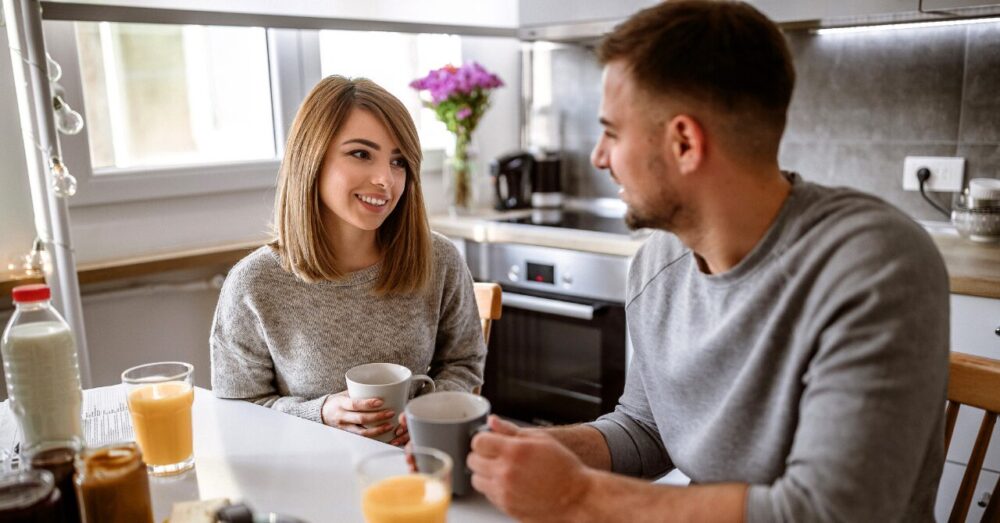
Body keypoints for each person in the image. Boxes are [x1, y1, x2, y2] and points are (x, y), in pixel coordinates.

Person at [467, 1, 950, 521]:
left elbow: (828, 512)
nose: (598, 157)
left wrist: (578, 495)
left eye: (611, 131)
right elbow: (645, 429)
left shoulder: (875, 267)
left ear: (683, 142)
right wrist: (531, 451)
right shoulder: (658, 263)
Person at [210, 76, 486, 447]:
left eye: (399, 161)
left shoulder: (440, 261)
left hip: (410, 473)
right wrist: (319, 414)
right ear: (313, 158)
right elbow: (237, 411)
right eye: (361, 154)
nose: (385, 179)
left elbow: (464, 363)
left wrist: (424, 412)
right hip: (305, 479)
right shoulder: (254, 284)